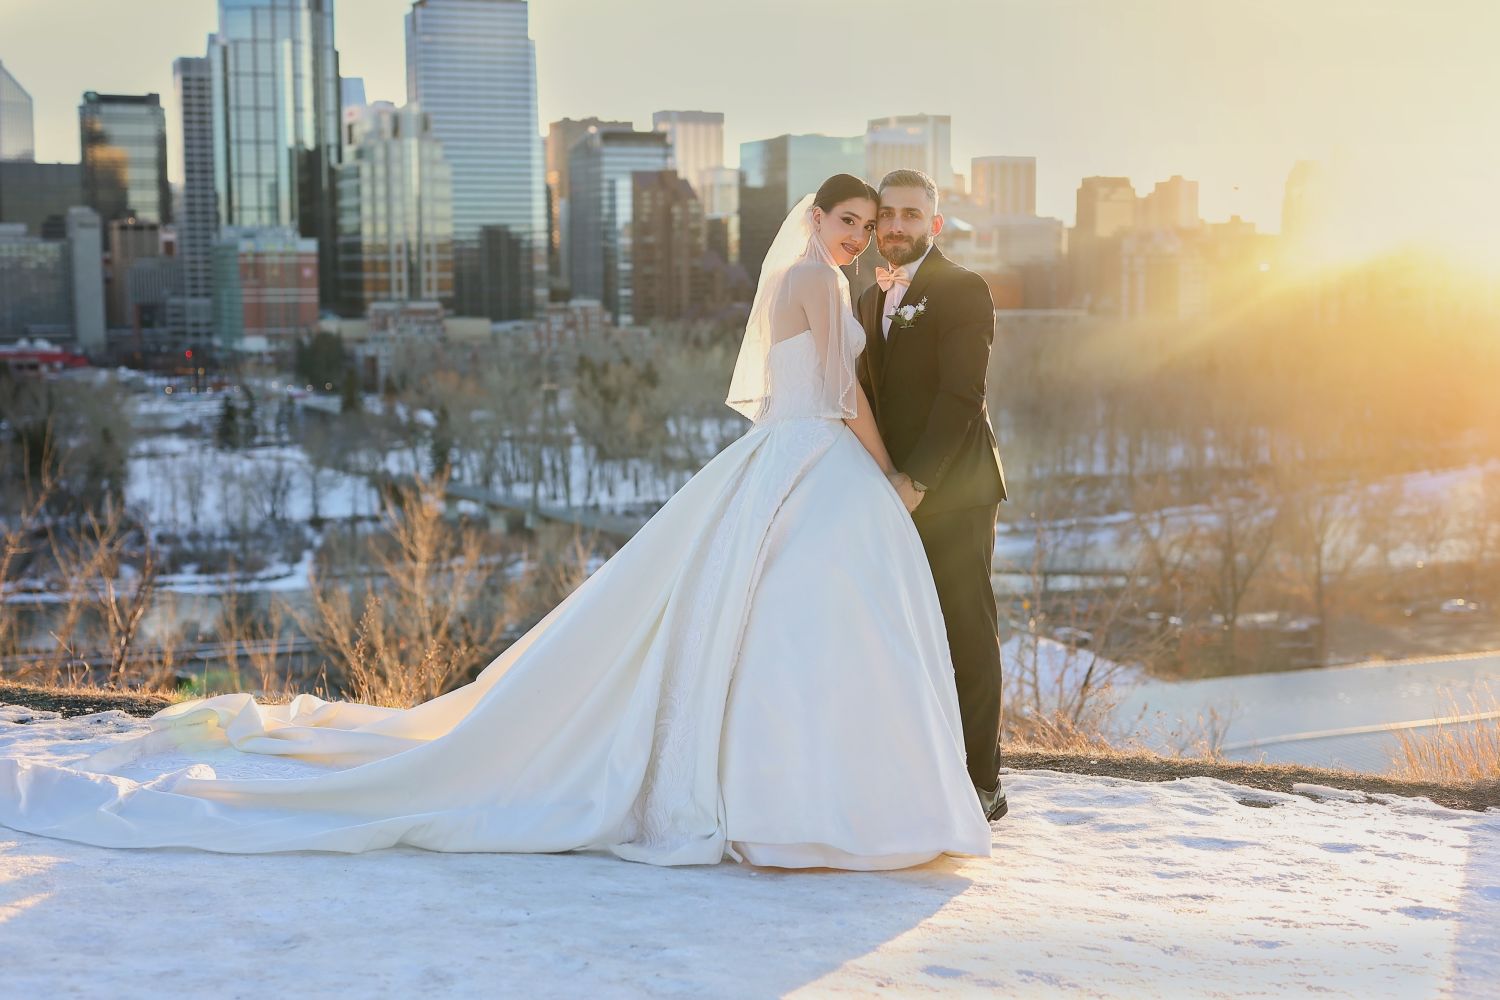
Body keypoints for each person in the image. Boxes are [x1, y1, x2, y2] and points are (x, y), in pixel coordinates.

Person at [0, 174, 992, 871]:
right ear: (819, 216)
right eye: (850, 217)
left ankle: (795, 796)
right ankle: (824, 801)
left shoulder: (810, 280)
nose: (862, 232)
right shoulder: (821, 282)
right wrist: (888, 474)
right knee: (810, 626)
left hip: (780, 459)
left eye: (873, 221)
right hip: (816, 456)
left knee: (754, 624)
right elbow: (841, 395)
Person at [856, 169, 1009, 821]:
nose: (896, 226)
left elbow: (962, 396)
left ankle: (983, 783)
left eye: (911, 215)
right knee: (905, 635)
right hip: (890, 494)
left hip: (954, 491)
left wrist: (917, 480)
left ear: (935, 224)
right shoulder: (868, 299)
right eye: (885, 215)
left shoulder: (963, 290)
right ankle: (921, 769)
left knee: (966, 633)